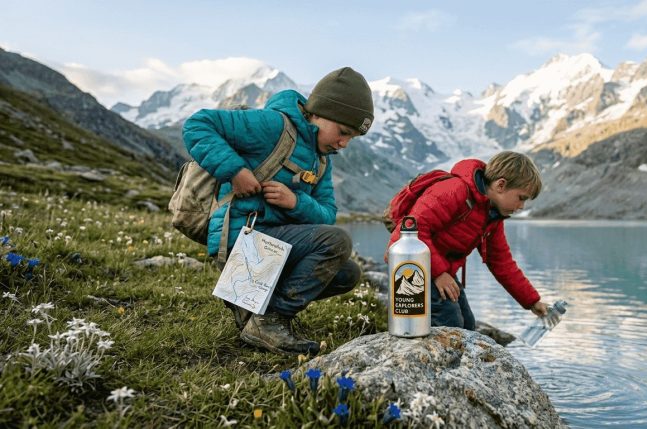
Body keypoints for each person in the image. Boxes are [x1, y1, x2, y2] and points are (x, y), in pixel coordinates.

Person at [182, 67, 375, 355]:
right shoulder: (273, 126)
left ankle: (253, 308)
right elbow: (198, 124)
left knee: (347, 273)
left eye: (351, 138)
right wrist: (235, 170)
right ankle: (268, 320)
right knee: (337, 242)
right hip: (241, 239)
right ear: (320, 113)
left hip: (270, 247)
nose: (343, 143)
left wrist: (296, 202)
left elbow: (327, 214)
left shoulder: (322, 160)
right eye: (343, 132)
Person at [385, 151, 549, 330]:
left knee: (467, 325)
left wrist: (533, 301)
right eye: (521, 198)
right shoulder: (453, 190)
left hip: (437, 268)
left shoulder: (491, 216)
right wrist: (439, 273)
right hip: (413, 267)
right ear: (501, 185)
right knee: (450, 323)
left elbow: (502, 263)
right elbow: (407, 233)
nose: (522, 206)